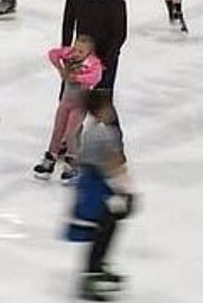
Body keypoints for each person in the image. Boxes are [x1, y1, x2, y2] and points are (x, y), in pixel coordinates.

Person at [68, 90, 134, 300]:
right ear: (100, 110)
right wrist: (126, 191)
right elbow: (115, 164)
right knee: (103, 230)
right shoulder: (103, 133)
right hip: (97, 189)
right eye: (107, 107)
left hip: (91, 186)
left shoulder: (90, 130)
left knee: (105, 228)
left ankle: (97, 268)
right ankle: (92, 275)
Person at [33, 35, 102, 183]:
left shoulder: (92, 64)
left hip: (80, 105)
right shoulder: (69, 55)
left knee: (71, 133)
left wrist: (77, 78)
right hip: (65, 102)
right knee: (58, 129)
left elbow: (96, 77)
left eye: (81, 52)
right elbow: (53, 53)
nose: (76, 53)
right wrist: (60, 68)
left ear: (89, 53)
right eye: (75, 49)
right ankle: (50, 157)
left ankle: (72, 162)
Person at [61, 0, 127, 101]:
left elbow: (119, 34)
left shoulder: (114, 0)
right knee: (68, 104)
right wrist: (66, 52)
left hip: (104, 57)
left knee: (100, 106)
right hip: (80, 55)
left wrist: (105, 62)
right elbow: (68, 24)